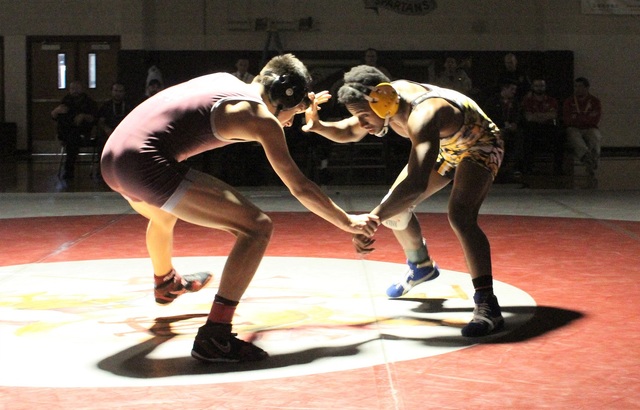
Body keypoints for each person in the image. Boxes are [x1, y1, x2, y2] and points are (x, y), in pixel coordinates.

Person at [100, 54, 379, 363]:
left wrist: (301, 105)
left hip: (112, 160)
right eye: (295, 112)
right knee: (257, 227)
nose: (292, 121)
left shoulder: (225, 81)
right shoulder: (259, 117)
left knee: (165, 212)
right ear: (282, 94)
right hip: (143, 164)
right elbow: (299, 187)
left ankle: (165, 282)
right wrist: (346, 221)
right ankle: (215, 335)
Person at [303, 65, 505, 337]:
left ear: (383, 101)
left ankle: (487, 303)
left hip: (479, 141)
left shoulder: (423, 114)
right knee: (395, 211)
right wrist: (318, 126)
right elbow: (349, 131)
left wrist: (372, 218)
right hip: (446, 146)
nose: (362, 124)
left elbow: (416, 183)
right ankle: (421, 266)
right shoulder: (382, 101)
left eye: (363, 116)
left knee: (460, 215)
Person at [51, 80, 98, 179]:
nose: (75, 91)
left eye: (77, 88)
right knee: (71, 139)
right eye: (72, 89)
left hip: (83, 132)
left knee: (72, 140)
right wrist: (56, 111)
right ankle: (68, 170)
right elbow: (54, 116)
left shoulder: (89, 102)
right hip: (67, 132)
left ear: (82, 89)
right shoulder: (65, 101)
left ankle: (69, 170)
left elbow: (94, 118)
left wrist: (84, 116)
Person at [482, 78, 524, 181]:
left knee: (520, 137)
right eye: (512, 89)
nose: (514, 92)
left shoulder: (516, 103)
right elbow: (487, 118)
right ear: (504, 89)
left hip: (511, 131)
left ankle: (512, 168)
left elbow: (518, 117)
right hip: (495, 129)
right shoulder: (492, 102)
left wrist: (514, 124)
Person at [521, 78, 564, 175]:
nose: (539, 88)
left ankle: (558, 169)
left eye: (541, 86)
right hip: (533, 127)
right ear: (532, 87)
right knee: (527, 136)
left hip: (548, 127)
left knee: (560, 136)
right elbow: (529, 117)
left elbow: (553, 115)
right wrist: (544, 115)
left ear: (545, 87)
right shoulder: (528, 101)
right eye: (537, 86)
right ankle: (528, 168)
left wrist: (538, 115)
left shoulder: (551, 100)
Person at [562, 77, 603, 178]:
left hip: (590, 127)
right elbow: (567, 120)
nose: (577, 89)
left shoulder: (595, 101)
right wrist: (585, 117)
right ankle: (587, 157)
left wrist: (578, 118)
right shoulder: (569, 101)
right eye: (576, 86)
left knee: (595, 136)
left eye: (580, 86)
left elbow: (595, 119)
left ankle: (593, 158)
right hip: (574, 128)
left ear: (587, 88)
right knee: (573, 135)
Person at [96, 82, 132, 169]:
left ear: (124, 93)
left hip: (124, 133)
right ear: (111, 92)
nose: (118, 93)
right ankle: (103, 169)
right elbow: (100, 121)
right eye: (115, 90)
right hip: (108, 132)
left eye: (120, 91)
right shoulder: (106, 106)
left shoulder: (128, 105)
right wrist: (106, 129)